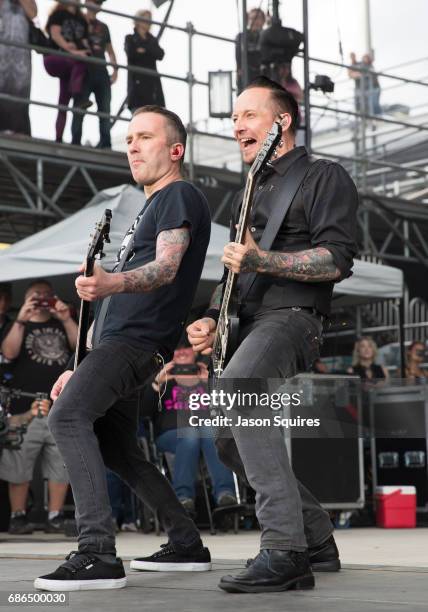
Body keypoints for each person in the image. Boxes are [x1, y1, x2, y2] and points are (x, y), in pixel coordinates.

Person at [187, 76, 359, 594]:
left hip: (296, 316)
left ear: (281, 122)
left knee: (239, 391)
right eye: (234, 117)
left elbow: (337, 258)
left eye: (248, 115)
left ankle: (284, 550)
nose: (236, 124)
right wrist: (214, 317)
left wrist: (265, 258)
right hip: (248, 322)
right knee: (227, 443)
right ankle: (316, 534)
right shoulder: (252, 188)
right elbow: (237, 272)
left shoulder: (321, 176)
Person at [34, 105, 212, 592]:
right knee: (118, 449)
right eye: (128, 138)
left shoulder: (178, 194)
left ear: (174, 150)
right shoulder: (147, 209)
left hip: (136, 344)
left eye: (145, 137)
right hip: (121, 345)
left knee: (65, 418)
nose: (131, 145)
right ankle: (186, 542)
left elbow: (168, 268)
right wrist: (85, 363)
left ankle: (96, 552)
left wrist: (110, 282)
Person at [0, 279, 77, 534]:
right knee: (19, 460)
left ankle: (55, 516)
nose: (43, 299)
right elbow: (8, 353)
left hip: (59, 402)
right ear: (26, 298)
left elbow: (81, 350)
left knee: (60, 461)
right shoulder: (17, 324)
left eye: (47, 295)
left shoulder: (61, 322)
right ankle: (18, 516)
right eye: (37, 295)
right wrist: (22, 318)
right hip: (26, 404)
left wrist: (66, 318)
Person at [147, 344, 236, 514]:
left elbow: (225, 407)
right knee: (190, 434)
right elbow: (143, 411)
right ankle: (183, 496)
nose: (181, 351)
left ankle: (225, 493)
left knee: (210, 431)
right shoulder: (165, 380)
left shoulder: (205, 376)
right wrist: (157, 383)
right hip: (170, 434)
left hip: (205, 431)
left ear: (195, 353)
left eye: (186, 348)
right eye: (177, 349)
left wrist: (210, 383)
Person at [71, 0, 118, 149]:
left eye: (100, 2)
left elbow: (110, 51)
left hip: (101, 72)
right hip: (83, 70)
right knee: (79, 108)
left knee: (105, 109)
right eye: (95, 1)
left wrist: (115, 70)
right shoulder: (77, 21)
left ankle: (106, 144)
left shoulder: (104, 27)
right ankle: (75, 143)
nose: (97, 4)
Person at [43, 1, 91, 143]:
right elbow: (56, 35)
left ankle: (58, 138)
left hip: (72, 66)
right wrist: (72, 51)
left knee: (63, 101)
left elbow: (84, 42)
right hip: (55, 58)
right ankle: (78, 97)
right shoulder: (58, 15)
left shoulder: (82, 19)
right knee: (80, 61)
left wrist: (85, 50)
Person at [0, 0, 37, 136]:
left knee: (21, 88)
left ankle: (19, 129)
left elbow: (33, 14)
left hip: (21, 51)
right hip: (3, 48)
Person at [125, 10, 165, 113]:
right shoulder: (130, 38)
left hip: (153, 90)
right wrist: (149, 51)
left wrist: (144, 49)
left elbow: (160, 54)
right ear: (138, 21)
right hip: (137, 89)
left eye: (149, 20)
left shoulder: (152, 40)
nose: (148, 22)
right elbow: (132, 53)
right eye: (145, 19)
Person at [235, 7, 265, 93]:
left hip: (263, 76)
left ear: (263, 21)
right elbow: (238, 56)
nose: (254, 21)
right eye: (251, 18)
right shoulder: (241, 36)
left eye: (257, 18)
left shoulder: (267, 36)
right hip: (247, 76)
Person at [349, 52, 381, 116]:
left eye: (367, 58)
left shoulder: (368, 66)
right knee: (360, 105)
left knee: (373, 104)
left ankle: (377, 116)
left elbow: (370, 73)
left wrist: (359, 74)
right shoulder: (356, 65)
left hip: (373, 88)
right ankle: (365, 118)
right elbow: (351, 74)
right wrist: (358, 74)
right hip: (361, 89)